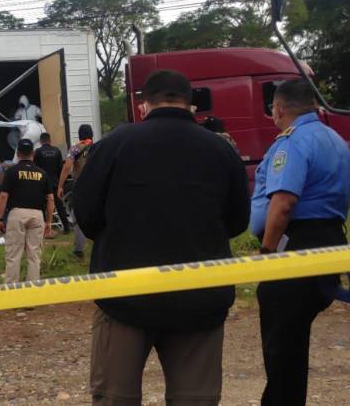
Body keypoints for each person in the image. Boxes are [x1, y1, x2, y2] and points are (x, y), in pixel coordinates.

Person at [74, 70, 250, 406]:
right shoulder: (221, 150)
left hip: (124, 296)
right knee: (195, 400)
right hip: (201, 297)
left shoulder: (114, 145)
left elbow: (87, 216)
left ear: (143, 106)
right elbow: (237, 221)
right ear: (192, 106)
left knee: (115, 398)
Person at [249, 79, 350, 406]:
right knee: (292, 338)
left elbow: (282, 204)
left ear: (277, 109)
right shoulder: (335, 139)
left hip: (298, 244)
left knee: (282, 346)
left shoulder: (292, 142)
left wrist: (267, 252)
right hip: (332, 240)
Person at [0, 139, 54, 283]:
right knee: (34, 256)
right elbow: (51, 198)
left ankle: (11, 293)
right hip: (37, 215)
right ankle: (32, 295)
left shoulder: (11, 172)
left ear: (18, 153)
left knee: (13, 255)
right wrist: (49, 221)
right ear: (33, 154)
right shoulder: (42, 173)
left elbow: (3, 196)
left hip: (17, 214)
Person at [57, 124, 94, 257]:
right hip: (97, 184)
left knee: (78, 215)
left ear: (79, 135)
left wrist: (60, 185)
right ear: (92, 134)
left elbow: (67, 167)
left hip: (81, 185)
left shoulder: (75, 149)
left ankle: (79, 250)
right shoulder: (99, 146)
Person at [34, 132, 70, 234]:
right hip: (54, 181)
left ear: (41, 141)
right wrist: (60, 184)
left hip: (41, 182)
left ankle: (42, 228)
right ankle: (66, 228)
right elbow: (60, 169)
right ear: (50, 140)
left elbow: (35, 168)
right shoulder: (57, 151)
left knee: (41, 205)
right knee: (59, 204)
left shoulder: (38, 152)